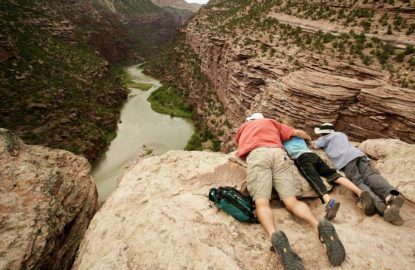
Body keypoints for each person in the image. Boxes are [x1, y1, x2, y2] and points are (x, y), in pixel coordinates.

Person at [235, 113, 346, 270]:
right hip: (278, 154)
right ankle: (317, 226)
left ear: (250, 121)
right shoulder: (272, 122)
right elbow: (296, 133)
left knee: (262, 203)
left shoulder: (244, 127)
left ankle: (275, 236)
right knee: (291, 201)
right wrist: (308, 138)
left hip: (258, 155)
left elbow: (238, 143)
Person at [313, 123, 405, 226]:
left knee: (358, 181)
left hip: (346, 161)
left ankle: (379, 205)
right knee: (370, 176)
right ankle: (391, 196)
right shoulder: (341, 134)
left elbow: (314, 144)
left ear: (323, 133)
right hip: (359, 155)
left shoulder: (324, 138)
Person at [283, 136, 376, 220]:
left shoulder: (283, 139)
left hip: (302, 159)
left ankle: (330, 203)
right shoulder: (299, 136)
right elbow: (309, 142)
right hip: (314, 156)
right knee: (332, 174)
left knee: (316, 181)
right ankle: (360, 192)